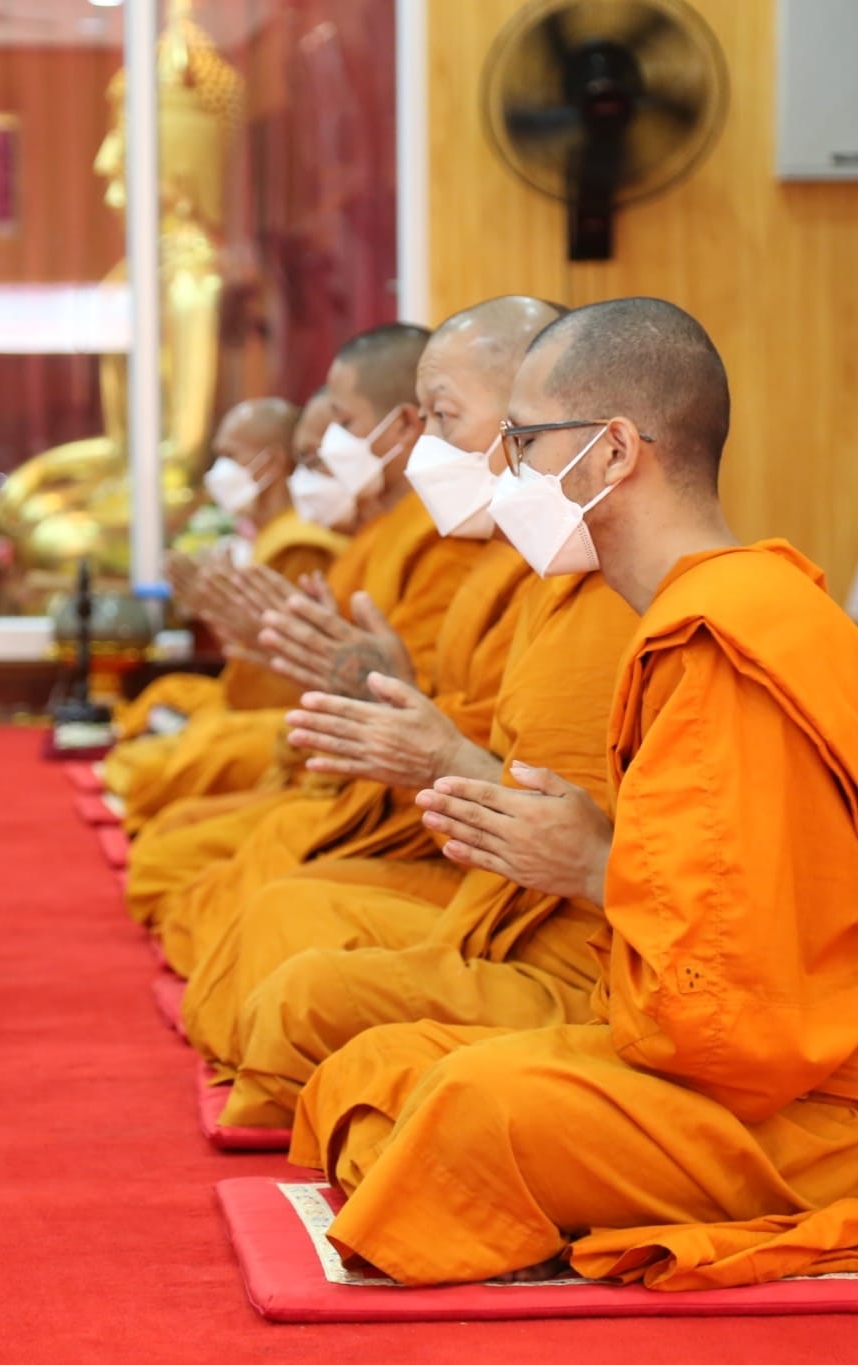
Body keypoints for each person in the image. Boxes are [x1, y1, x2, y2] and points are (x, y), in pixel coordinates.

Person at [289, 297, 858, 1289]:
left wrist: (590, 865)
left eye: (524, 442)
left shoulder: (726, 642)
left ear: (612, 453)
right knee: (373, 1076)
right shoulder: (702, 614)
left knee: (468, 1109)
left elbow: (735, 1016)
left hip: (813, 1115)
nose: (504, 470)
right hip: (719, 1056)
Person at [174, 300, 640, 1093]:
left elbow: (601, 825)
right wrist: (377, 695)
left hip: (592, 955)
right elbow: (492, 741)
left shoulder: (652, 604)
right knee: (242, 892)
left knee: (312, 991)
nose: (431, 448)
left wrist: (428, 738)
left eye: (448, 421)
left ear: (608, 442)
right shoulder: (530, 574)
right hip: (499, 898)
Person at [122, 323, 486, 916]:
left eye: (343, 424)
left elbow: (431, 702)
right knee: (172, 836)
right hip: (338, 765)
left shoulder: (441, 537)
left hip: (393, 792)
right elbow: (350, 677)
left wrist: (325, 669)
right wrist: (273, 643)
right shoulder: (392, 534)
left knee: (200, 879)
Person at [106, 397, 344, 819]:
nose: (217, 471)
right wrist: (210, 607)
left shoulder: (302, 546)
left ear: (270, 462)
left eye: (228, 456)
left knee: (152, 770)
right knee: (165, 696)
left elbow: (290, 676)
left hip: (282, 714)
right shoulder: (271, 535)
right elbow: (256, 652)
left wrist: (232, 623)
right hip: (250, 704)